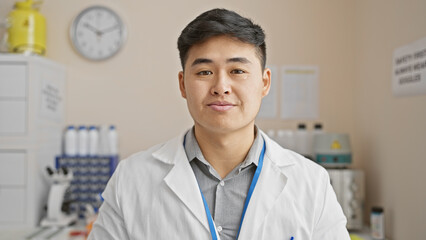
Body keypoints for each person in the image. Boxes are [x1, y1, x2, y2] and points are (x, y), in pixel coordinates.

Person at [88, 8, 350, 240]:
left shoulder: (311, 183)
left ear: (264, 82)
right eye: (204, 72)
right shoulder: (132, 179)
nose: (221, 87)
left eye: (237, 71)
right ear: (182, 84)